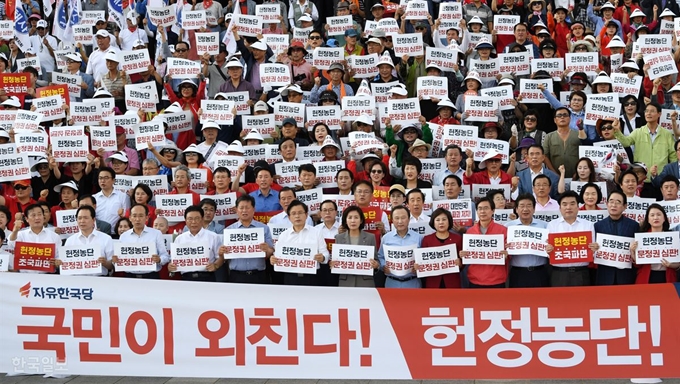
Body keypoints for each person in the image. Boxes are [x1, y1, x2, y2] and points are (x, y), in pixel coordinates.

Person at [614, 104, 678, 198]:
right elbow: (626, 142)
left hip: (660, 179)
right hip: (641, 179)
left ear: (659, 114)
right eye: (646, 111)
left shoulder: (667, 134)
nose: (648, 113)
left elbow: (673, 156)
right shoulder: (638, 132)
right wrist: (616, 131)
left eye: (652, 111)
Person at [270, 200, 329, 286]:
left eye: (300, 213)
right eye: (293, 213)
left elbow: (325, 253)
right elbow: (277, 256)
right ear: (289, 217)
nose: (297, 216)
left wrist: (322, 257)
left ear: (306, 215)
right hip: (290, 277)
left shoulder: (316, 232)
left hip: (312, 277)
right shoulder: (284, 235)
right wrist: (273, 259)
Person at [546, 191, 599, 287]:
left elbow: (593, 252)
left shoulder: (588, 225)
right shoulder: (552, 225)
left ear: (578, 207)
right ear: (560, 208)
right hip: (559, 273)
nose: (568, 207)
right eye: (564, 204)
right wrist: (548, 249)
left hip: (581, 272)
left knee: (582, 301)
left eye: (572, 204)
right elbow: (547, 252)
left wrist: (595, 248)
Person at [224, 195, 275, 284]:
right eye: (241, 208)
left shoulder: (264, 228)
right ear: (236, 210)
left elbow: (270, 252)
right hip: (236, 275)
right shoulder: (229, 230)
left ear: (253, 209)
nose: (244, 210)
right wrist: (222, 252)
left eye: (247, 207)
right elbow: (224, 256)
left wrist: (267, 249)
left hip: (258, 275)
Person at [459, 197, 509, 288]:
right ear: (477, 212)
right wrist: (462, 255)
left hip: (496, 279)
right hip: (475, 279)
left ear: (493, 210)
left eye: (486, 208)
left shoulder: (503, 230)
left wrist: (507, 254)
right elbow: (466, 255)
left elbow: (510, 254)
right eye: (480, 209)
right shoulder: (470, 231)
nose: (482, 211)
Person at [594, 190, 639, 286]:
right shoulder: (598, 226)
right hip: (604, 275)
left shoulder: (634, 225)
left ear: (625, 206)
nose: (613, 205)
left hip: (626, 275)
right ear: (606, 204)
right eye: (611, 201)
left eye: (618, 202)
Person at [168, 205, 224, 282]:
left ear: (202, 219)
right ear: (185, 220)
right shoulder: (179, 239)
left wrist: (215, 265)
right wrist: (171, 267)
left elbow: (220, 258)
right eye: (190, 219)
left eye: (197, 219)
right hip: (186, 278)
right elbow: (173, 261)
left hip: (207, 277)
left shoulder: (213, 236)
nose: (193, 222)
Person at [505, 194, 550, 288]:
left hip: (540, 272)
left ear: (534, 209)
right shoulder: (508, 227)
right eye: (521, 206)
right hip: (517, 272)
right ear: (516, 209)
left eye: (529, 206)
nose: (525, 209)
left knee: (541, 301)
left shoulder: (545, 226)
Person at [631, 203, 680, 284]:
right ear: (648, 219)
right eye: (652, 215)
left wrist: (671, 265)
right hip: (647, 277)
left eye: (658, 214)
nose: (656, 217)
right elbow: (638, 265)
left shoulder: (673, 237)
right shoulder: (641, 238)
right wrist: (633, 252)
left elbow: (678, 264)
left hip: (668, 277)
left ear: (664, 218)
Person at [61, 205, 115, 276]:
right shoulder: (70, 240)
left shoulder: (106, 239)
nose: (82, 221)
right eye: (79, 218)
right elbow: (66, 265)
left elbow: (113, 265)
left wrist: (105, 263)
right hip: (76, 281)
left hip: (100, 281)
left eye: (86, 218)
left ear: (93, 220)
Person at [333, 206, 379, 287]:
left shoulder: (370, 237)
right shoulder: (339, 238)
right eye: (350, 217)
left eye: (356, 217)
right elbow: (336, 260)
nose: (353, 221)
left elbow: (376, 260)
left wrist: (376, 265)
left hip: (365, 282)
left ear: (361, 220)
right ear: (345, 220)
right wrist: (332, 264)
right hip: (346, 282)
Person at [8, 204, 62, 273]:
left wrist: (57, 262)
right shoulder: (21, 234)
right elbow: (11, 243)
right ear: (27, 219)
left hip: (47, 277)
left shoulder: (54, 236)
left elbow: (59, 258)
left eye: (39, 214)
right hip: (24, 277)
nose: (37, 218)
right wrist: (15, 231)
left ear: (43, 217)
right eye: (33, 215)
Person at [377, 205, 422, 288]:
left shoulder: (419, 238)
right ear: (392, 220)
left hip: (413, 282)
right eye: (397, 218)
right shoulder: (386, 238)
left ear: (409, 219)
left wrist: (419, 267)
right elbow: (380, 256)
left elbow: (423, 259)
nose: (400, 221)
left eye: (403, 218)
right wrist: (383, 267)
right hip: (391, 282)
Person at [418, 208, 463, 288]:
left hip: (452, 282)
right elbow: (423, 261)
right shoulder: (427, 239)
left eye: (444, 219)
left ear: (449, 222)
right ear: (433, 223)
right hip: (433, 282)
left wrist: (460, 263)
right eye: (437, 220)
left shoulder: (457, 238)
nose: (441, 222)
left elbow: (463, 260)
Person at [543, 106, 581, 176]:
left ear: (570, 119)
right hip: (555, 176)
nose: (562, 117)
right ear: (555, 120)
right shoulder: (549, 136)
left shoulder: (578, 135)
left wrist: (578, 172)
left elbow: (583, 155)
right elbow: (545, 156)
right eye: (559, 115)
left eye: (565, 115)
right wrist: (554, 173)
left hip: (577, 175)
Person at [94, 167, 130, 234]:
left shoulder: (123, 196)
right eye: (100, 178)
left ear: (113, 180)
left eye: (106, 178)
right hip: (98, 233)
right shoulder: (94, 198)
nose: (103, 181)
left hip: (116, 234)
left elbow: (126, 217)